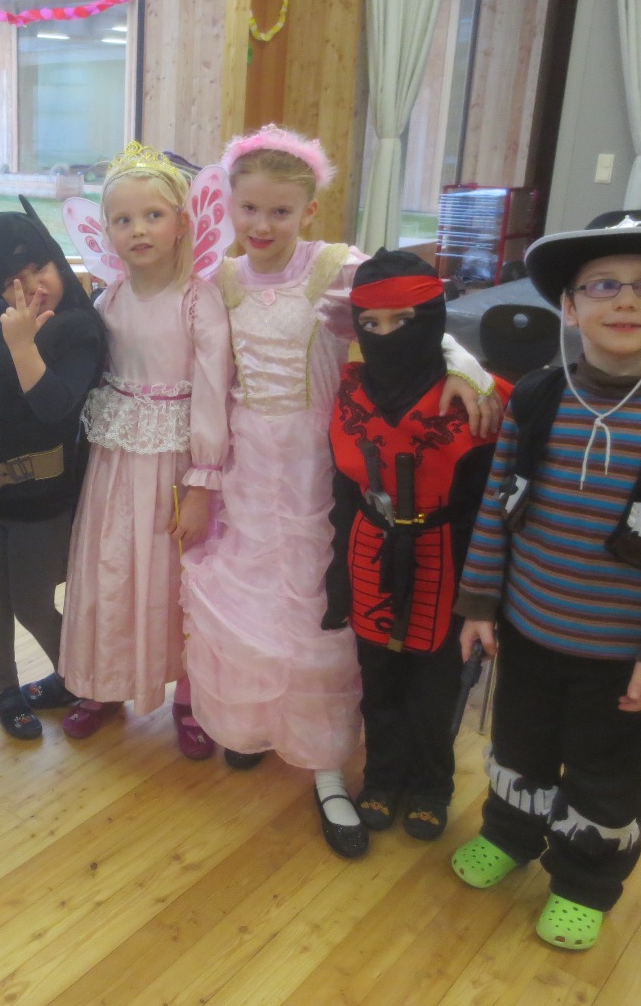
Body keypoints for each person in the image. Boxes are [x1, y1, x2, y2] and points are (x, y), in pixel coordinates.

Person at [180, 124, 497, 859]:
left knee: (316, 602)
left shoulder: (336, 268)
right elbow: (212, 385)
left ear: (309, 211)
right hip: (250, 465)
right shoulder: (221, 281)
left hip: (325, 463)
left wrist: (463, 371)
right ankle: (261, 724)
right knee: (254, 599)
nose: (262, 225)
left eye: (280, 211)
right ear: (229, 205)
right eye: (249, 209)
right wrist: (204, 475)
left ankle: (324, 757)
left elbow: (420, 323)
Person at [451, 210, 641, 950]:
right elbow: (498, 505)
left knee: (607, 774)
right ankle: (510, 833)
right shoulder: (535, 398)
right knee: (517, 749)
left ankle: (583, 882)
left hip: (622, 652)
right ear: (570, 306)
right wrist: (479, 603)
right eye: (602, 284)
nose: (626, 300)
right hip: (529, 629)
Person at [324, 249, 511, 850]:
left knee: (437, 688)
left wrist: (485, 594)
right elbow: (344, 492)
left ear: (431, 318)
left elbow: (493, 508)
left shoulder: (479, 399)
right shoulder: (349, 393)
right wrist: (337, 576)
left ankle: (432, 786)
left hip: (447, 554)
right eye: (371, 324)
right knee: (378, 680)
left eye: (403, 321)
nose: (387, 337)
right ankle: (382, 776)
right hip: (369, 549)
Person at [55, 143, 232, 756]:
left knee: (175, 580)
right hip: (115, 461)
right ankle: (103, 681)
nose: (138, 230)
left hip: (176, 466)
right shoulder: (108, 299)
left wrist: (202, 483)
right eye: (123, 220)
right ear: (106, 232)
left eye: (153, 216)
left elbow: (212, 392)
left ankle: (189, 697)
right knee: (111, 568)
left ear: (182, 222)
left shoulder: (198, 300)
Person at [0, 198, 108, 739]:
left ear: (57, 259)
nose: (32, 287)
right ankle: (4, 689)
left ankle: (86, 680)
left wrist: (22, 345)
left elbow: (55, 407)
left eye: (39, 267)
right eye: (11, 282)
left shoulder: (79, 328)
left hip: (42, 497)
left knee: (32, 602)